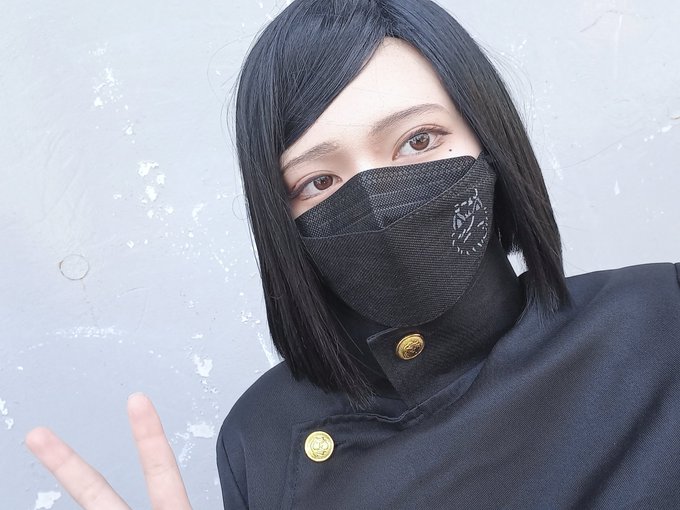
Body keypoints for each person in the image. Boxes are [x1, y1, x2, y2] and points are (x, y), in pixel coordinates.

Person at [26, 0, 680, 508]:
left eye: (419, 141)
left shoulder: (659, 319)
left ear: (489, 137)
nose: (376, 202)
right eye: (318, 181)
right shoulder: (262, 439)